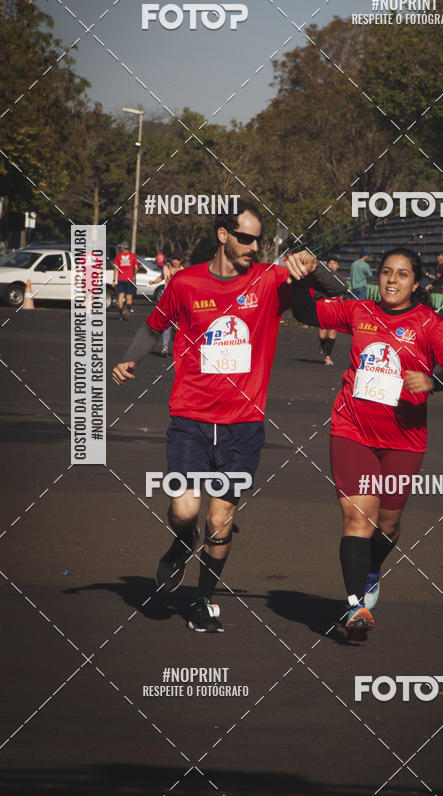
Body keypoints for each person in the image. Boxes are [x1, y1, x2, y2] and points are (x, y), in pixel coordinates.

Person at [112, 202, 343, 633]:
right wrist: (129, 361)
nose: (254, 247)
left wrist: (310, 264)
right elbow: (153, 325)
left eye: (258, 239)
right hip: (191, 418)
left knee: (220, 519)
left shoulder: (269, 281)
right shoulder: (185, 282)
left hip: (243, 426)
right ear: (223, 235)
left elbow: (336, 293)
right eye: (245, 238)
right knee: (184, 509)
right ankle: (183, 541)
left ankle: (202, 599)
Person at [291, 247, 443, 638]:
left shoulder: (428, 323)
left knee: (387, 524)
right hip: (351, 429)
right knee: (358, 518)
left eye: (402, 275)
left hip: (403, 440)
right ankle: (355, 608)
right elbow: (305, 313)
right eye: (386, 272)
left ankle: (372, 567)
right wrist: (304, 277)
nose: (392, 280)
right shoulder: (360, 311)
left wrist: (433, 382)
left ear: (415, 283)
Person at [150, 253, 185, 356]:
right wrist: (154, 282)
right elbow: (161, 277)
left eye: (177, 259)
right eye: (174, 259)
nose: (175, 261)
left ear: (180, 261)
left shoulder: (183, 270)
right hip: (167, 300)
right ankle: (165, 348)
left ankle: (176, 346)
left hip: (179, 301)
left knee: (177, 327)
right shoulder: (166, 268)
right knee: (167, 325)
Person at [317, 256, 347, 365]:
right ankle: (323, 344)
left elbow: (342, 295)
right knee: (322, 334)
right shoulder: (321, 278)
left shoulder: (341, 278)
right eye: (330, 263)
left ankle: (328, 356)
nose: (332, 265)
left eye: (335, 263)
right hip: (323, 307)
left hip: (335, 308)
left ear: (338, 266)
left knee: (333, 330)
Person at [113, 242, 138, 320]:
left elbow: (116, 269)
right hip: (129, 279)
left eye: (121, 247)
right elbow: (136, 268)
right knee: (129, 297)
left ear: (123, 248)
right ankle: (127, 309)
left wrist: (114, 280)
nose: (120, 248)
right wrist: (134, 276)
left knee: (120, 297)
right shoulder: (133, 256)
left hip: (121, 279)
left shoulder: (118, 256)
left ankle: (120, 314)